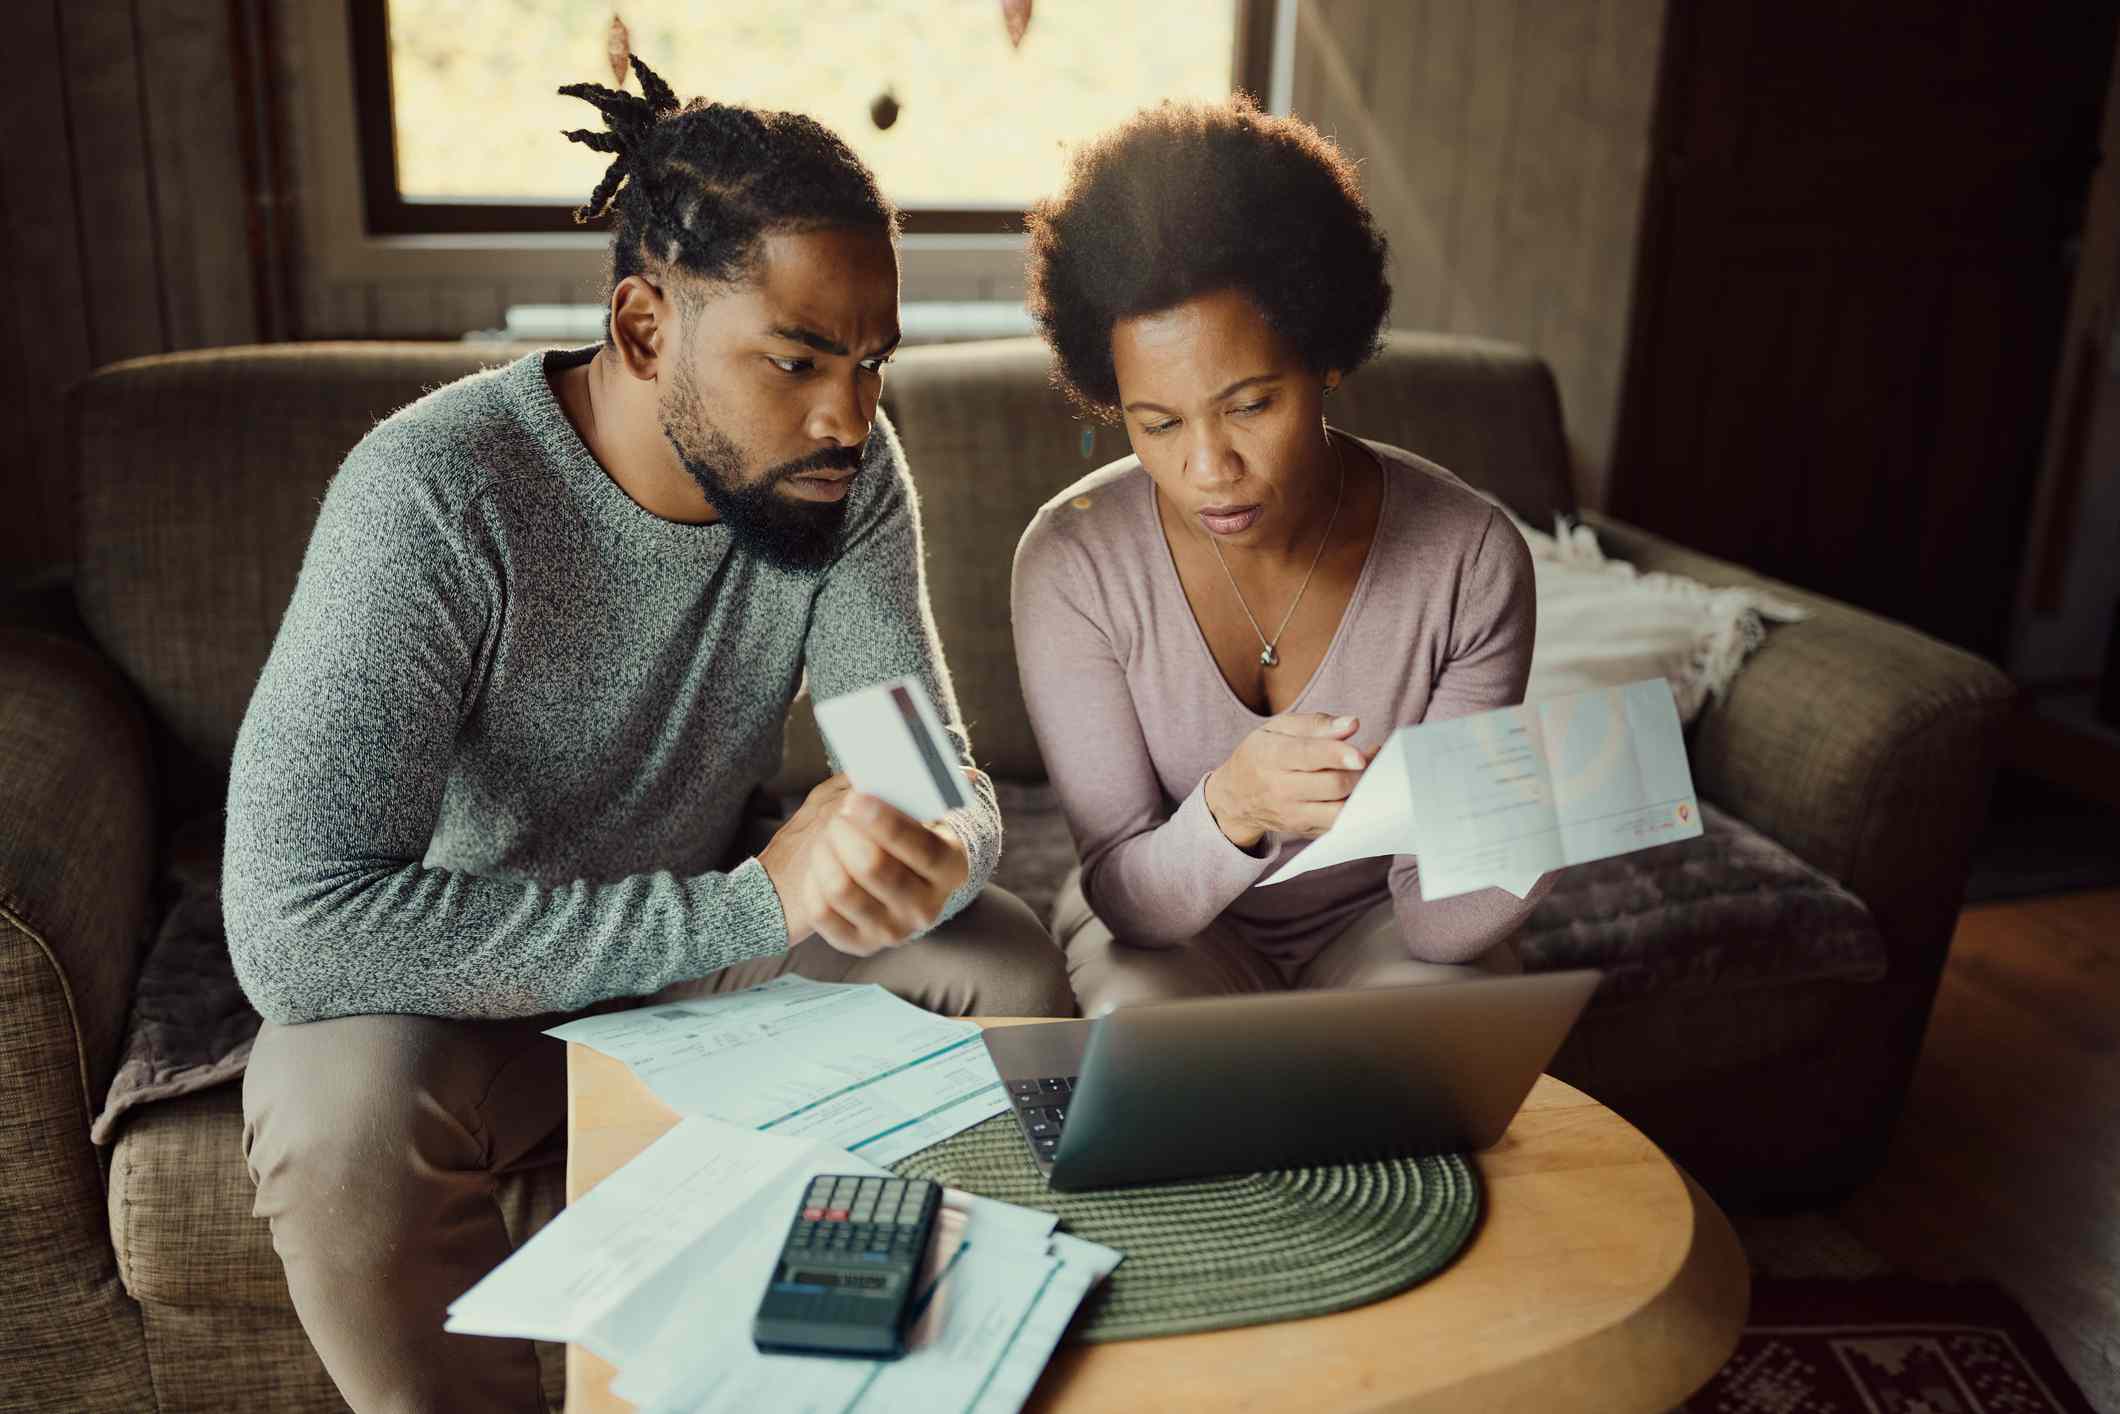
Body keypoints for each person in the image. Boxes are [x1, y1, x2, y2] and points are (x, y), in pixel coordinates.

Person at [225, 57, 1070, 1413]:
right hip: (464, 997)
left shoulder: (844, 474)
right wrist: (741, 909)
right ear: (641, 328)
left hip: (705, 969)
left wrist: (933, 841)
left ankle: (918, 1379)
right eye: (796, 360)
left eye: (870, 364)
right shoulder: (435, 493)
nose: (847, 415)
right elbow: (291, 924)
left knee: (1008, 968)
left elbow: (934, 775)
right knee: (332, 1110)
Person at [1011, 97, 1554, 1018]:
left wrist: (1527, 835)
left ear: (1327, 359)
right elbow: (1129, 898)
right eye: (1158, 423)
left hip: (1383, 924)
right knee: (1146, 1044)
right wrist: (1235, 808)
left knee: (1428, 1049)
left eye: (1252, 405)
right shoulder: (1073, 565)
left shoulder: (1469, 560)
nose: (1209, 469)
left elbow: (1437, 924)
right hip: (1176, 929)